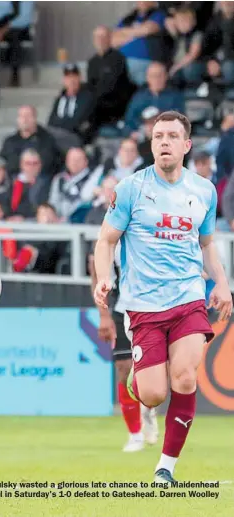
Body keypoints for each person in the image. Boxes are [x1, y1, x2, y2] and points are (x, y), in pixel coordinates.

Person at [93, 110, 232, 483]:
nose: (164, 142)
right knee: (152, 394)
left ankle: (165, 469)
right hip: (142, 305)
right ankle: (140, 378)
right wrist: (103, 276)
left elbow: (207, 244)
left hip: (188, 298)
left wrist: (221, 282)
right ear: (151, 144)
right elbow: (105, 241)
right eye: (158, 137)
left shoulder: (203, 190)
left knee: (185, 378)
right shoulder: (130, 189)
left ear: (186, 145)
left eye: (172, 136)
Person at [90, 242, 159, 452]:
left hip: (156, 307)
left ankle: (148, 406)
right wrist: (103, 315)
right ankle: (135, 434)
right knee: (123, 369)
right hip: (124, 309)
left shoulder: (153, 230)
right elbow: (96, 270)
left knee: (153, 372)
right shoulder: (113, 235)